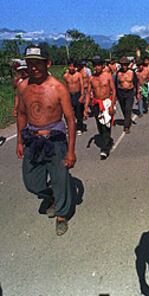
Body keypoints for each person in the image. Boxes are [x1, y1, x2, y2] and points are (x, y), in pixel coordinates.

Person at [15, 45, 76, 236]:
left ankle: (61, 214)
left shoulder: (58, 88)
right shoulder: (23, 87)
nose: (34, 67)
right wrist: (19, 141)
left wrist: (71, 150)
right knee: (31, 182)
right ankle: (50, 196)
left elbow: (70, 120)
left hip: (55, 141)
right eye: (30, 63)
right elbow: (22, 114)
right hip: (32, 140)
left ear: (47, 63)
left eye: (38, 63)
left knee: (60, 178)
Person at [84, 55, 117, 160]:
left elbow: (114, 91)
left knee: (107, 126)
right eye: (94, 65)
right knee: (100, 127)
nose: (96, 67)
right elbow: (88, 93)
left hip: (107, 103)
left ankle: (105, 149)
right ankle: (105, 141)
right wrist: (85, 108)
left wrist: (112, 105)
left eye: (98, 65)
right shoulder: (91, 78)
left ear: (102, 66)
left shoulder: (108, 76)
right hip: (97, 104)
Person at [115, 56, 138, 133]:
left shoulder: (132, 72)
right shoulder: (118, 73)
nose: (124, 66)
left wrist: (138, 93)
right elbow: (115, 84)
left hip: (130, 92)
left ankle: (126, 126)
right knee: (123, 108)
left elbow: (136, 83)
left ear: (128, 65)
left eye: (125, 65)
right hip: (120, 92)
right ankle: (127, 119)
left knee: (128, 108)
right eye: (122, 65)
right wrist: (115, 96)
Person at [63, 59, 85, 135]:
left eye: (73, 66)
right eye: (70, 66)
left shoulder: (78, 74)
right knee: (69, 113)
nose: (71, 68)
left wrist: (82, 95)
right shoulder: (65, 76)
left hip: (78, 94)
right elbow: (65, 87)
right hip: (69, 95)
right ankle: (70, 127)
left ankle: (79, 128)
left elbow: (82, 85)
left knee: (79, 112)